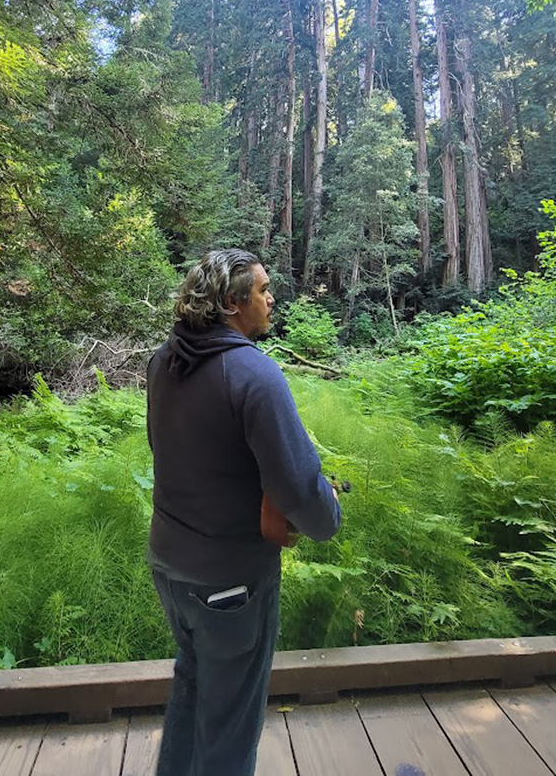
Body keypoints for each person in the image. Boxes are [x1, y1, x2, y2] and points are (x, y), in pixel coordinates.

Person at [146, 249, 341, 776]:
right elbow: (299, 485)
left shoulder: (163, 361)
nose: (271, 298)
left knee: (193, 686)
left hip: (169, 568)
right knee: (230, 725)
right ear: (233, 303)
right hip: (229, 586)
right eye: (262, 289)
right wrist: (330, 515)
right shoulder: (254, 375)